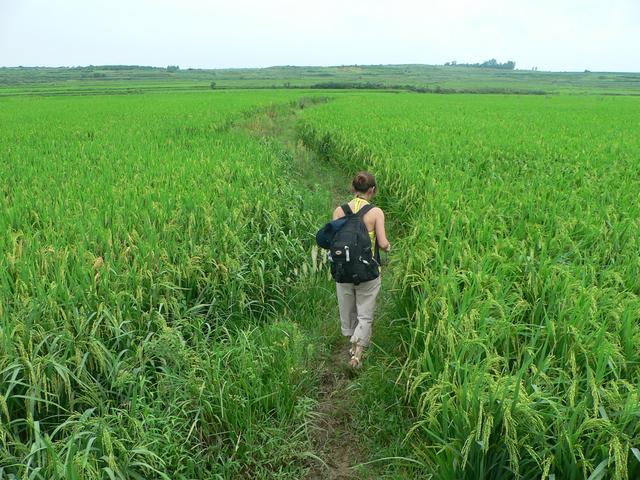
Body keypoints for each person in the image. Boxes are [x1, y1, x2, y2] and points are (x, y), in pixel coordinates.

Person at [332, 171, 391, 368]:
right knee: (365, 314)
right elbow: (382, 243)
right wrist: (388, 247)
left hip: (343, 272)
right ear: (372, 190)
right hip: (368, 274)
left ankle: (351, 342)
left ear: (353, 188)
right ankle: (357, 355)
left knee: (348, 311)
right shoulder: (376, 213)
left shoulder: (339, 211)